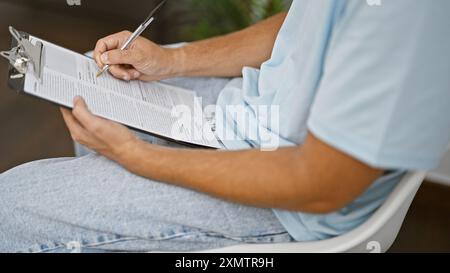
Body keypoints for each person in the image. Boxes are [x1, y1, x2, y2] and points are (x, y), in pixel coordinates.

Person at [0, 0, 449, 253]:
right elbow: (302, 23)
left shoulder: (406, 16)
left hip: (292, 201)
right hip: (262, 114)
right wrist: (172, 61)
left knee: (11, 207)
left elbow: (320, 183)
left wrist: (138, 158)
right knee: (98, 81)